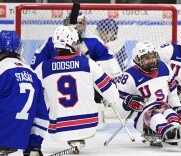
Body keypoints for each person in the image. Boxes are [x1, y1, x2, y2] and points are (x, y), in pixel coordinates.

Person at [34, 25, 130, 153]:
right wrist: (121, 99)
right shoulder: (87, 63)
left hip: (57, 128)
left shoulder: (43, 68)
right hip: (88, 124)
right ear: (72, 44)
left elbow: (33, 98)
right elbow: (111, 93)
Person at [116, 41, 181, 146]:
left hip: (164, 108)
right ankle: (168, 133)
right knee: (156, 116)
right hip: (142, 117)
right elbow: (118, 108)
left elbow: (172, 95)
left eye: (153, 56)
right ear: (137, 60)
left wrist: (179, 109)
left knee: (171, 113)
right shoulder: (128, 76)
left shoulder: (165, 68)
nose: (151, 60)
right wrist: (126, 104)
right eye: (146, 58)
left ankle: (176, 130)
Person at [0, 30, 49, 156]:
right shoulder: (33, 74)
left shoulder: (2, 70)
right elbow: (42, 115)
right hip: (20, 140)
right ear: (19, 50)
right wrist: (35, 145)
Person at [30, 12, 122, 79]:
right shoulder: (51, 41)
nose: (77, 26)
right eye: (75, 23)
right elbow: (35, 71)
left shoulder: (94, 41)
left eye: (80, 23)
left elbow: (113, 69)